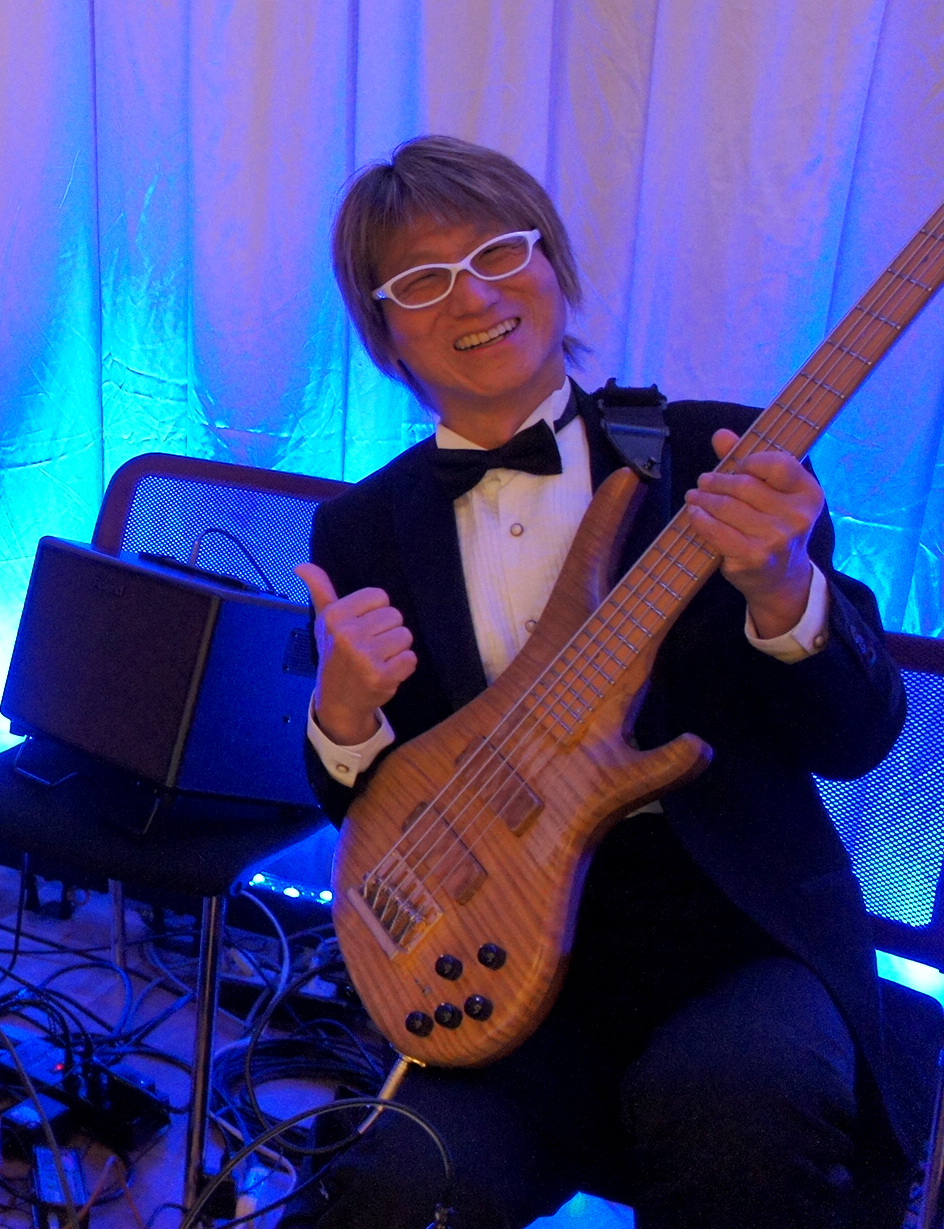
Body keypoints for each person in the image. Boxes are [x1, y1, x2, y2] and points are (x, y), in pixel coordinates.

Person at [288, 135, 921, 1229]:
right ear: (381, 326)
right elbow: (372, 805)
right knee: (389, 1185)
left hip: (735, 932)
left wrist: (783, 589)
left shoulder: (720, 454)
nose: (472, 295)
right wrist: (341, 717)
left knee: (738, 1122)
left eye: (497, 251)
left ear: (552, 261)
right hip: (495, 956)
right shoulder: (359, 528)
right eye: (422, 279)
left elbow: (859, 737)